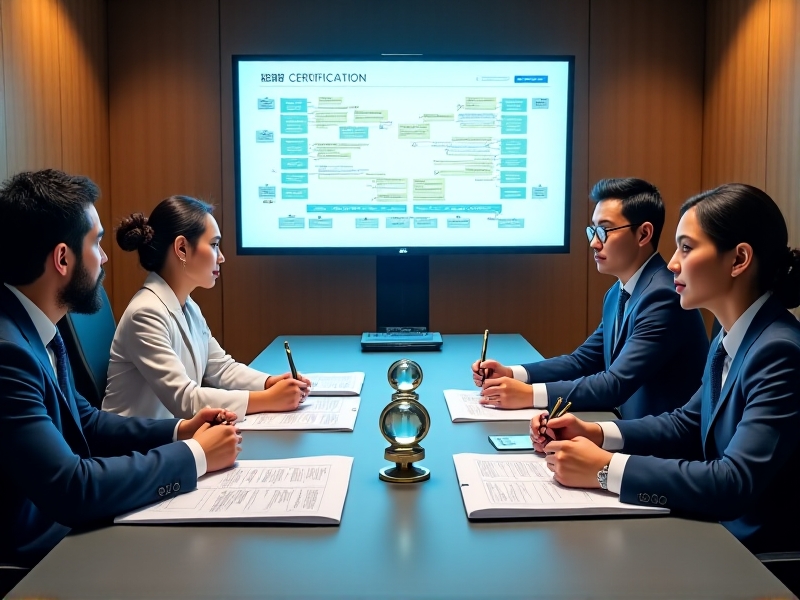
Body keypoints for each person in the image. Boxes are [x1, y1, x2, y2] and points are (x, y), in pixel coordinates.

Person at [532, 183, 800, 554]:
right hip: (712, 531)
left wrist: (606, 469)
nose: (672, 263)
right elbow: (686, 423)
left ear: (739, 259)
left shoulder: (779, 351)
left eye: (686, 248)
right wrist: (594, 432)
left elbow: (733, 482)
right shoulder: (731, 333)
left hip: (752, 556)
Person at [0, 170, 241, 570]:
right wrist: (195, 455)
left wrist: (181, 430)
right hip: (39, 562)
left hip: (70, 531)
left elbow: (87, 421)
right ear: (63, 259)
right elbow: (71, 488)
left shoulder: (37, 330)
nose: (105, 257)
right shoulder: (9, 353)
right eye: (96, 243)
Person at [472, 178, 709, 418]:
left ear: (643, 234)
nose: (595, 243)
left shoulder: (664, 297)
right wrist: (511, 373)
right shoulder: (618, 293)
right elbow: (582, 361)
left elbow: (614, 385)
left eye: (604, 231)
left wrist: (529, 394)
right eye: (593, 231)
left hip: (658, 437)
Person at [102, 196, 310, 420]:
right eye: (214, 245)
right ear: (182, 248)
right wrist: (269, 399)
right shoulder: (145, 313)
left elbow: (220, 368)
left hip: (168, 433)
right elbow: (186, 400)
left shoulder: (187, 305)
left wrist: (269, 383)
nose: (221, 258)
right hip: (136, 440)